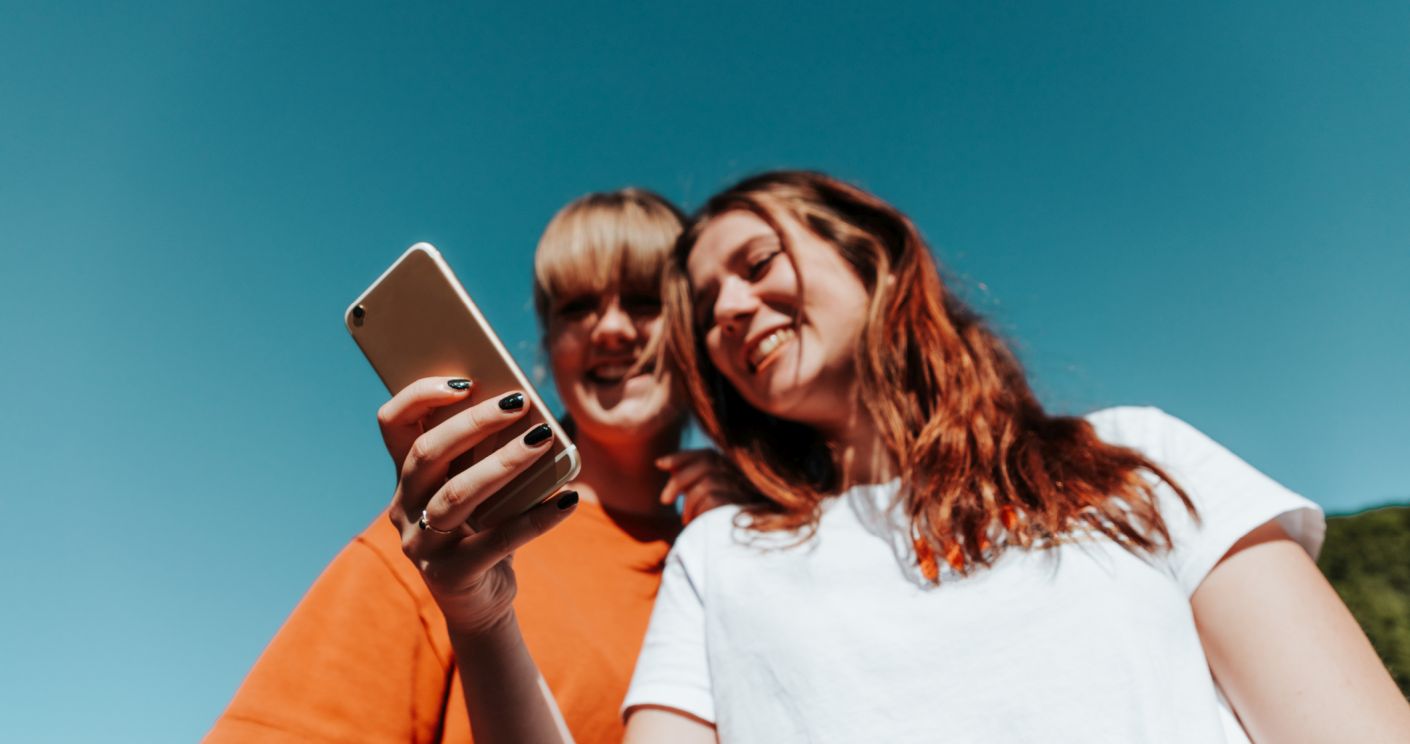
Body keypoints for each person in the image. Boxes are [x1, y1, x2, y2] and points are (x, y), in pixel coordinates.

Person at [399, 171, 1410, 743]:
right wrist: (481, 616)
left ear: (869, 253)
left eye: (756, 266)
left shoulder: (1136, 456)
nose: (732, 314)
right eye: (705, 313)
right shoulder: (722, 561)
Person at [206, 188, 738, 743]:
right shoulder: (447, 542)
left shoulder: (726, 555)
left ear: (700, 327)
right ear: (548, 345)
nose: (611, 329)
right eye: (577, 307)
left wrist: (742, 545)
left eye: (644, 300)